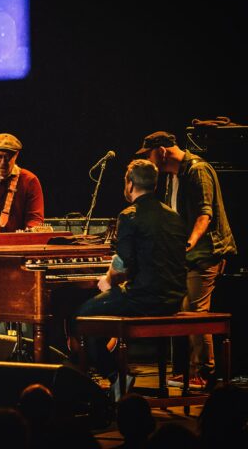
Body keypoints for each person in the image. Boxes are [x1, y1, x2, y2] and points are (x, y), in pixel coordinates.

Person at [70, 159, 187, 398]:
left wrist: (108, 281)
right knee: (99, 313)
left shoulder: (130, 215)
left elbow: (123, 263)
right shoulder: (173, 216)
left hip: (143, 298)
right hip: (173, 298)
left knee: (82, 317)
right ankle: (115, 380)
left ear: (130, 184)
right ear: (154, 185)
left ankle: (115, 379)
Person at [136, 131, 237, 389]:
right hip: (187, 257)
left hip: (204, 254)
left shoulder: (198, 170)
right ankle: (186, 370)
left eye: (148, 154)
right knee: (180, 310)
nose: (148, 160)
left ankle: (206, 373)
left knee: (196, 313)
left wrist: (188, 243)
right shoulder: (174, 176)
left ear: (161, 151)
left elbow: (205, 214)